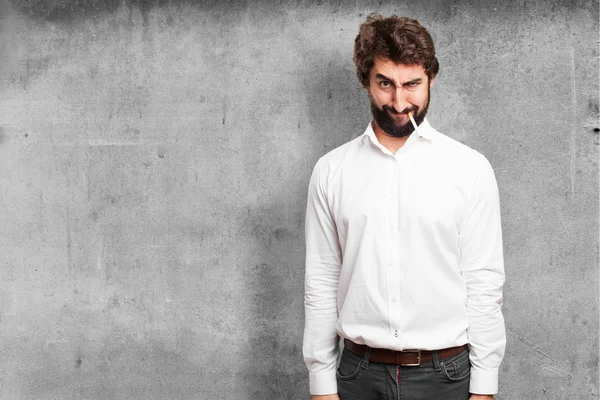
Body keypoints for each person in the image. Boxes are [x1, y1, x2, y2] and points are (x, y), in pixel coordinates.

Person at [303, 14, 505, 400]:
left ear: (431, 78)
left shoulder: (469, 169)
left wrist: (484, 387)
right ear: (366, 81)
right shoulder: (331, 171)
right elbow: (321, 281)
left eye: (412, 84)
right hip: (357, 375)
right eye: (385, 84)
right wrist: (322, 384)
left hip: (445, 376)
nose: (399, 102)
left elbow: (483, 282)